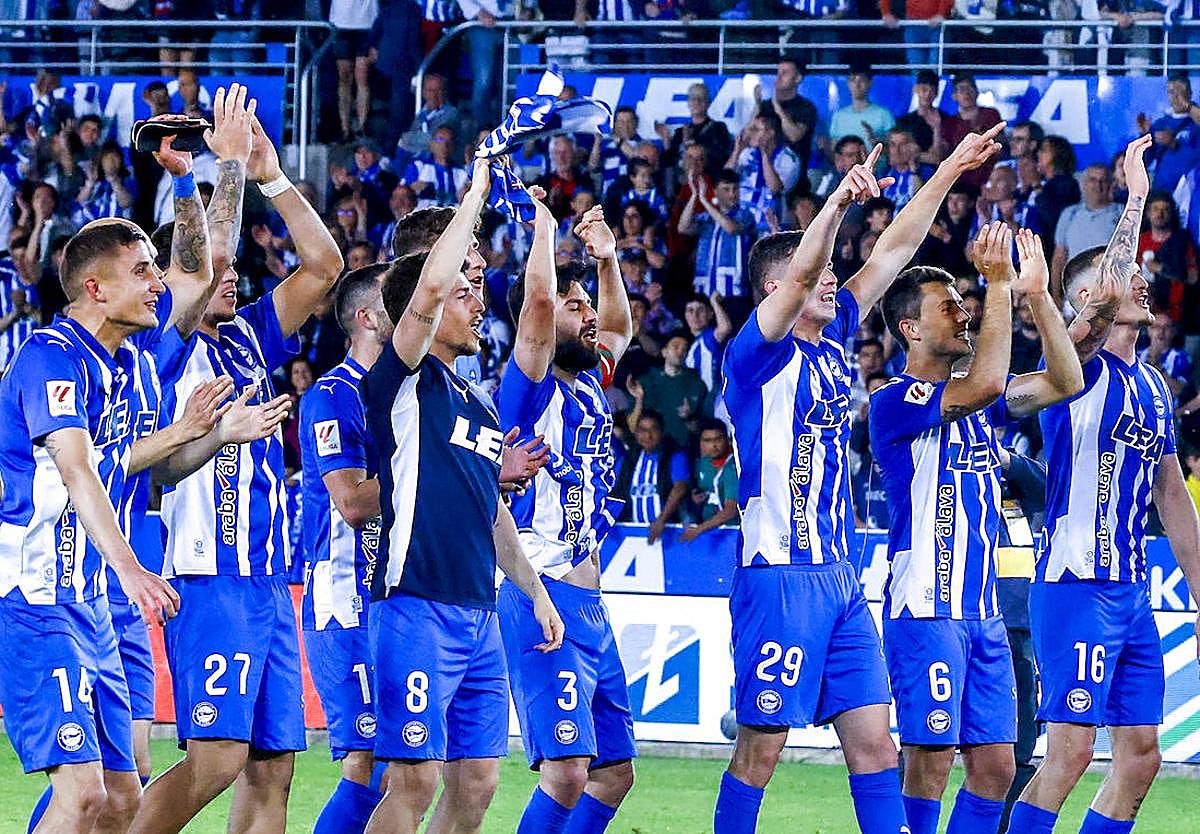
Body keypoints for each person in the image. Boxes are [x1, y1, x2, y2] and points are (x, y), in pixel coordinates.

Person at [713, 123, 1003, 834]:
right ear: (777, 290)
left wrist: (948, 170)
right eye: (816, 279)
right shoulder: (755, 355)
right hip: (778, 571)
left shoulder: (836, 334)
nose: (835, 284)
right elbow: (814, 265)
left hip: (840, 578)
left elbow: (896, 248)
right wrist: (836, 205)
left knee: (876, 744)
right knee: (762, 747)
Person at [129, 111, 345, 834]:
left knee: (273, 766)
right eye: (209, 271)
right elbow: (204, 259)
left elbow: (325, 268)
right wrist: (219, 168)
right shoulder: (166, 338)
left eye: (233, 271)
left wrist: (270, 176)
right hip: (208, 571)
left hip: (267, 578)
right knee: (216, 760)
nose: (229, 276)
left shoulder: (249, 332)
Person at [357, 161, 564, 834]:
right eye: (468, 290)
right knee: (412, 781)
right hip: (415, 604)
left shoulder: (474, 399)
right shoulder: (402, 381)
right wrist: (475, 193)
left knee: (477, 781)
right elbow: (428, 289)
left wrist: (533, 590)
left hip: (478, 614)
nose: (480, 301)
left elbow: (491, 507)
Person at [1008, 134, 1200, 834]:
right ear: (1090, 299)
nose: (1142, 280)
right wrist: (1138, 196)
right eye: (1126, 277)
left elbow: (1172, 498)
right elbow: (1096, 302)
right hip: (1073, 586)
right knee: (1069, 752)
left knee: (1143, 755)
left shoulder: (1152, 386)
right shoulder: (1075, 368)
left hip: (1130, 592)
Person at [871, 223, 1084, 834]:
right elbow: (987, 381)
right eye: (949, 307)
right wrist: (998, 285)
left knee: (996, 766)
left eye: (965, 302)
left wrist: (1038, 299)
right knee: (931, 760)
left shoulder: (983, 404)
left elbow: (1066, 381)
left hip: (984, 610)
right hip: (926, 608)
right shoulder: (894, 400)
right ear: (910, 329)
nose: (963, 314)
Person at [0, 220, 179, 831]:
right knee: (81, 796)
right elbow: (77, 470)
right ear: (96, 288)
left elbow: (120, 462)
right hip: (33, 599)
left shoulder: (127, 366)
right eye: (143, 270)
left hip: (91, 606)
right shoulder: (49, 355)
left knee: (124, 797)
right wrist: (131, 567)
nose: (158, 282)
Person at [498, 196, 637, 834]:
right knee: (567, 770)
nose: (587, 318)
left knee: (614, 772)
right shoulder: (528, 385)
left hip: (589, 596)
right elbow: (537, 311)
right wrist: (545, 236)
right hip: (539, 587)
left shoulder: (586, 378)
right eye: (573, 307)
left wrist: (607, 260)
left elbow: (619, 331)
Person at [300, 264, 392, 833]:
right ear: (365, 317)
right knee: (366, 759)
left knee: (397, 763)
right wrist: (431, 467)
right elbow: (353, 504)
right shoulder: (333, 395)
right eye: (393, 299)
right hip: (343, 596)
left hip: (391, 593)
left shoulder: (398, 391)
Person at [679, 170, 759, 304]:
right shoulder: (706, 217)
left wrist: (704, 201)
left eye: (735, 189)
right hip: (705, 289)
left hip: (734, 290)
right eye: (726, 189)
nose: (732, 194)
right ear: (715, 191)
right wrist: (695, 195)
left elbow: (731, 228)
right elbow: (683, 227)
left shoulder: (746, 215)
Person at [614, 409, 690, 544]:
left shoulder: (674, 456)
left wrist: (661, 520)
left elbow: (680, 487)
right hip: (632, 534)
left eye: (653, 430)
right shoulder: (627, 461)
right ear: (636, 433)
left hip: (669, 533)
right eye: (642, 430)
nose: (648, 436)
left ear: (661, 432)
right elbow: (614, 491)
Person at [1051, 163, 1121, 291]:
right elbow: (1059, 258)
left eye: (1103, 181)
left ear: (1111, 184)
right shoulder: (1069, 214)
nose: (1097, 185)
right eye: (1092, 180)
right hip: (1075, 292)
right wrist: (1056, 295)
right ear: (1084, 184)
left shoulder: (1121, 213)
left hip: (1109, 292)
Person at [757, 56, 818, 179]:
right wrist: (756, 105)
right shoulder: (765, 106)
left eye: (785, 73)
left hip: (795, 176)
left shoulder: (806, 107)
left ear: (798, 78)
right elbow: (750, 136)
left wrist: (777, 106)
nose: (778, 77)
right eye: (778, 72)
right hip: (764, 173)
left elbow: (794, 136)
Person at [681, 419, 740, 542]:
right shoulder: (703, 463)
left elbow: (731, 511)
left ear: (728, 440)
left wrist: (698, 529)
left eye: (717, 439)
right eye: (707, 441)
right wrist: (696, 498)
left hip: (732, 534)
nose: (713, 445)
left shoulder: (733, 468)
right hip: (709, 533)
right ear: (701, 443)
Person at [829, 64, 895, 146]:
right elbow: (835, 152)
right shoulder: (838, 116)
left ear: (870, 83)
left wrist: (875, 141)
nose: (857, 85)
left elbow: (893, 150)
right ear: (848, 84)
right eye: (853, 80)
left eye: (862, 80)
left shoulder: (884, 114)